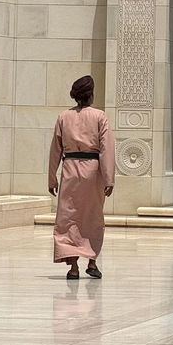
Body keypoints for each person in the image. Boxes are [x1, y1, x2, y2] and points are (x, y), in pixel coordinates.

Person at [48, 75, 115, 279]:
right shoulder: (99, 116)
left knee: (69, 217)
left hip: (69, 170)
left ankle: (74, 267)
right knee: (92, 216)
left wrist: (52, 178)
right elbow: (107, 149)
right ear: (91, 94)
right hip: (92, 171)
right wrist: (109, 178)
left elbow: (55, 150)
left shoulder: (63, 117)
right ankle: (92, 262)